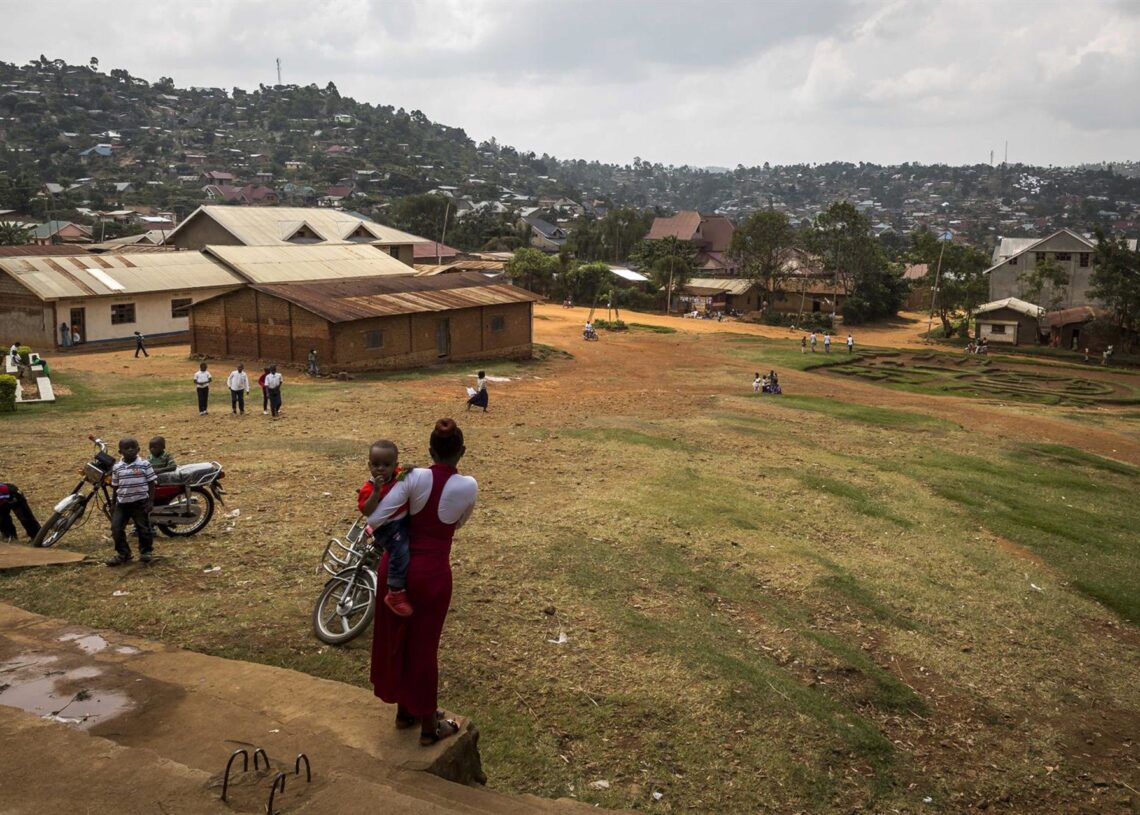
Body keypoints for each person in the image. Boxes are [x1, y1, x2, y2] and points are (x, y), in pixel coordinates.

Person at [368, 418, 476, 746]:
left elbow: (376, 516)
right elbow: (457, 524)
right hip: (432, 573)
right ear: (462, 451)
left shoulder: (414, 477)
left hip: (395, 570)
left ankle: (406, 712)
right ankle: (429, 727)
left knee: (399, 639)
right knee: (424, 649)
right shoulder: (469, 486)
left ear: (430, 450)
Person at [357, 440, 413, 617]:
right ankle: (395, 591)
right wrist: (376, 492)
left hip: (403, 521)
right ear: (369, 465)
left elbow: (404, 479)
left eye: (386, 465)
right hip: (386, 528)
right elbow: (366, 510)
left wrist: (411, 469)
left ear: (395, 465)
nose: (380, 469)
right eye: (375, 464)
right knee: (400, 549)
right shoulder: (369, 487)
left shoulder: (397, 475)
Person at [107, 437, 157, 566]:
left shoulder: (145, 464)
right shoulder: (117, 468)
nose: (130, 450)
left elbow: (152, 483)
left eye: (133, 447)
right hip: (122, 504)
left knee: (143, 528)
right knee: (116, 528)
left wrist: (150, 501)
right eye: (126, 448)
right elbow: (115, 487)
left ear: (138, 449)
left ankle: (146, 552)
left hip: (140, 503)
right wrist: (113, 504)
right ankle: (123, 554)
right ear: (120, 452)